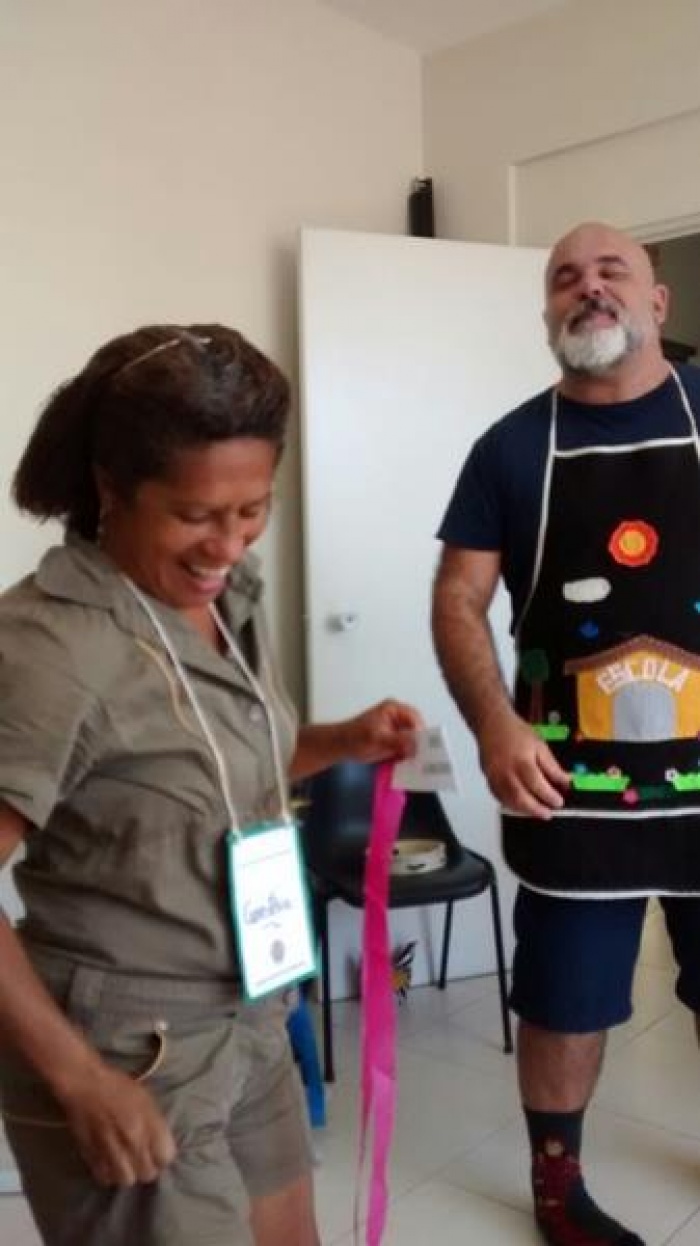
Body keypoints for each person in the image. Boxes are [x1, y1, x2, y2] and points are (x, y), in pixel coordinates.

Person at [0, 323, 421, 1246]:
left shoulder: (226, 599)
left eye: (252, 509)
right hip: (128, 1048)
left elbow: (208, 774)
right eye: (195, 515)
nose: (226, 544)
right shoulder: (51, 650)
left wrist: (341, 742)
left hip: (253, 1009)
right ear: (111, 489)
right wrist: (78, 1079)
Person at [432, 221, 700, 1246]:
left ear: (657, 301)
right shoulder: (509, 448)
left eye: (611, 270)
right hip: (567, 789)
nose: (588, 288)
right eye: (565, 278)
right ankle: (559, 1187)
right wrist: (495, 722)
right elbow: (459, 598)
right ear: (547, 309)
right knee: (563, 999)